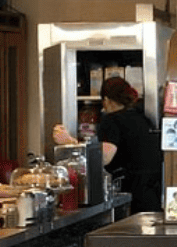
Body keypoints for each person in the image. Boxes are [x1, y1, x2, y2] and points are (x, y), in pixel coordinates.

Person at [53, 76, 162, 214]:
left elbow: (104, 157)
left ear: (106, 100)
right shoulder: (143, 118)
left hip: (130, 196)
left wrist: (70, 142)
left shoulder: (112, 121)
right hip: (153, 195)